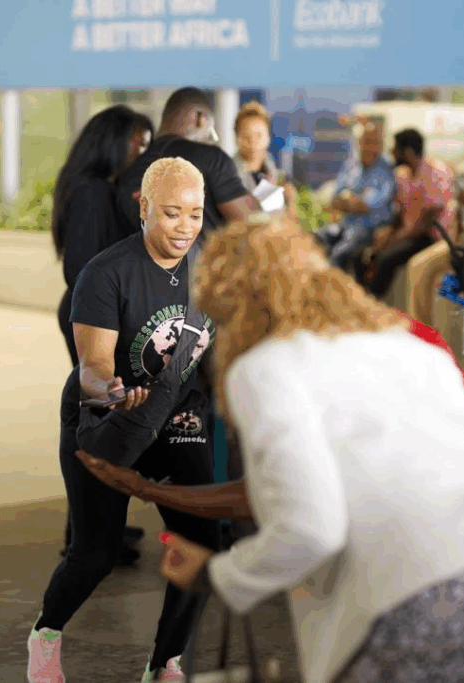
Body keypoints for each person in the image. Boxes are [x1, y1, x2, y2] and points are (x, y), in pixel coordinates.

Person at [77, 216, 464, 683]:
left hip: (422, 594)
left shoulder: (269, 365)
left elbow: (309, 528)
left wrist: (218, 573)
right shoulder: (406, 345)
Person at [27, 157, 221, 683]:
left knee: (202, 537)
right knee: (96, 552)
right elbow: (92, 366)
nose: (185, 228)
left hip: (179, 411)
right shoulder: (106, 273)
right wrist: (111, 390)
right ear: (144, 207)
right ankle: (46, 633)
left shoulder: (213, 266)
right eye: (172, 214)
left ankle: (166, 662)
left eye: (196, 215)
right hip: (108, 415)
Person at [50, 105, 155, 565]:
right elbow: (82, 268)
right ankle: (90, 534)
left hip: (96, 317)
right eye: (138, 143)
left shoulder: (98, 189)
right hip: (95, 321)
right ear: (115, 142)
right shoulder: (93, 193)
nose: (142, 152)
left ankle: (96, 529)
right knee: (97, 420)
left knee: (101, 419)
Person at [115, 87, 258, 239]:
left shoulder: (128, 170)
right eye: (211, 131)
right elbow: (253, 222)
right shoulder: (211, 158)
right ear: (200, 118)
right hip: (203, 262)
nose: (211, 138)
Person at [403, 128, 464, 325]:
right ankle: (420, 330)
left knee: (438, 279)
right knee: (417, 266)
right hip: (460, 239)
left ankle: (426, 332)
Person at [360, 128, 456, 299]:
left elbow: (426, 223)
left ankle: (373, 302)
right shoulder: (402, 174)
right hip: (410, 235)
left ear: (408, 152)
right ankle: (362, 299)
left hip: (432, 237)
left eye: (396, 150)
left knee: (385, 259)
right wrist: (387, 234)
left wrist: (396, 238)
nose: (392, 154)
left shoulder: (436, 172)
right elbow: (400, 213)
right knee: (364, 253)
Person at [316, 122, 396, 272]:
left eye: (375, 142)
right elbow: (335, 199)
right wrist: (351, 201)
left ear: (381, 145)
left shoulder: (386, 171)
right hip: (345, 223)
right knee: (315, 240)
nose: (371, 147)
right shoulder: (351, 165)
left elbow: (366, 205)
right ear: (359, 143)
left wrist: (348, 200)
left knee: (339, 255)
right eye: (367, 141)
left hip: (369, 229)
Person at [231, 101, 297, 217]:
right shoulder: (225, 175)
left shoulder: (276, 175)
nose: (253, 142)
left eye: (259, 135)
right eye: (246, 136)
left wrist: (291, 202)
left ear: (268, 137)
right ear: (236, 138)